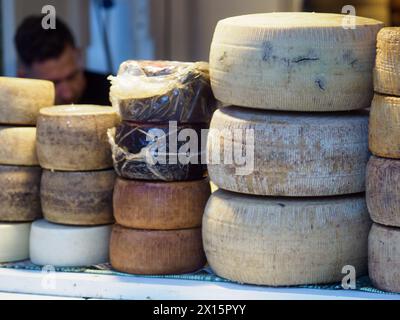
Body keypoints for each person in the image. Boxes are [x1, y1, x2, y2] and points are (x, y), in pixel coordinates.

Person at [15, 15, 111, 106]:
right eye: (52, 84)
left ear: (79, 56)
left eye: (72, 77)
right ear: (23, 77)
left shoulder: (114, 94)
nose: (67, 95)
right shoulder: (12, 109)